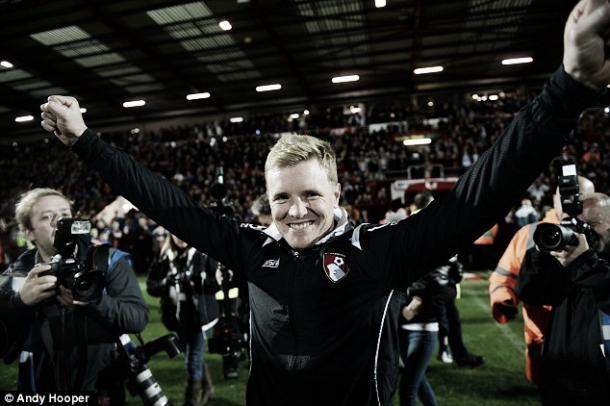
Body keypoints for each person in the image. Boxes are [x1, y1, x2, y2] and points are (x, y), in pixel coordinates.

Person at [39, 2, 610, 404]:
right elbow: (169, 205)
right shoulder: (252, 248)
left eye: (310, 194)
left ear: (337, 193)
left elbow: (474, 200)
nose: (294, 211)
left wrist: (567, 89)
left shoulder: (379, 252)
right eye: (280, 198)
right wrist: (88, 143)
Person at [0, 188, 148, 398]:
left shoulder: (107, 261)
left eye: (64, 215)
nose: (59, 222)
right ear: (28, 232)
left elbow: (137, 320)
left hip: (102, 391)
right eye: (47, 217)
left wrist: (93, 298)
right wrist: (20, 302)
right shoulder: (19, 275)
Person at [489, 176, 595, 383]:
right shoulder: (529, 234)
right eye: (563, 196)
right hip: (542, 338)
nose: (570, 202)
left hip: (591, 338)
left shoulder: (603, 233)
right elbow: (504, 275)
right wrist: (503, 300)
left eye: (580, 197)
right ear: (554, 198)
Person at [515, 193, 610, 405]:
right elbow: (529, 292)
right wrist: (540, 255)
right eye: (580, 225)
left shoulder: (585, 261)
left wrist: (585, 263)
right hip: (561, 380)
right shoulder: (571, 259)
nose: (586, 232)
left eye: (593, 224)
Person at [147, 234, 219, 406]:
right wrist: (167, 282)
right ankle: (207, 388)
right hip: (177, 317)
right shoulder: (164, 256)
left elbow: (216, 284)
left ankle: (191, 400)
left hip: (199, 317)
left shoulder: (202, 254)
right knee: (192, 355)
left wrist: (195, 282)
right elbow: (152, 286)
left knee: (192, 359)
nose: (181, 238)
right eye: (176, 234)